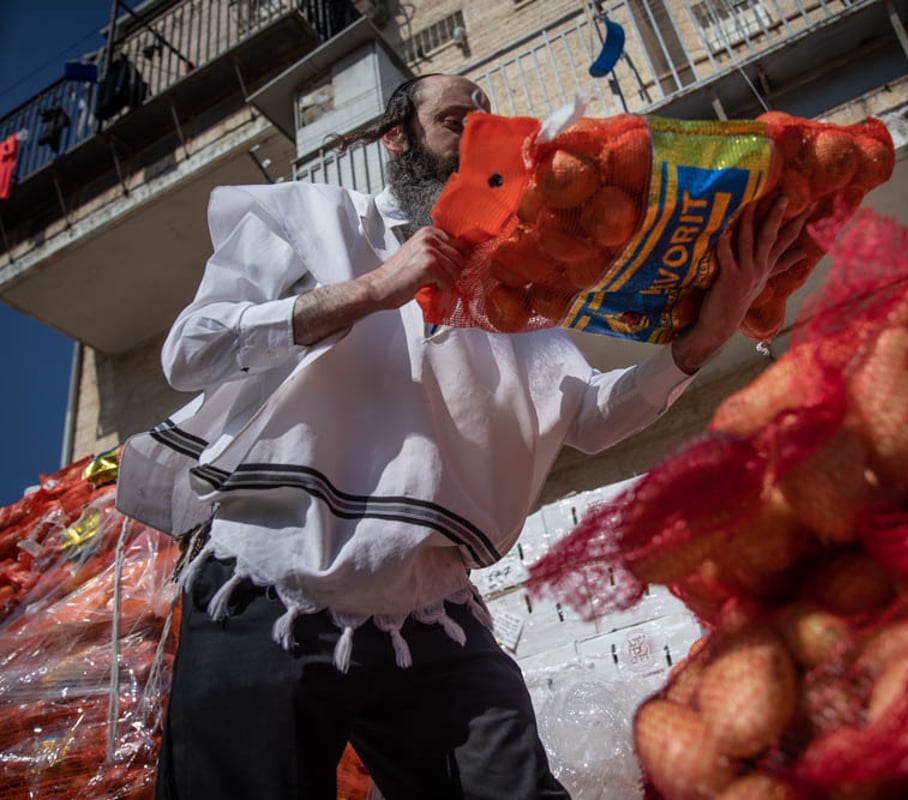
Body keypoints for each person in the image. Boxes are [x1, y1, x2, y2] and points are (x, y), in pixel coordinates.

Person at [116, 74, 809, 800]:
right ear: (398, 138)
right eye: (454, 117)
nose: (478, 127)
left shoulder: (524, 290)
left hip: (433, 613)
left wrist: (703, 340)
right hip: (267, 590)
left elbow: (591, 418)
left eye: (488, 114)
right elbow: (190, 350)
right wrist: (375, 288)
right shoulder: (311, 215)